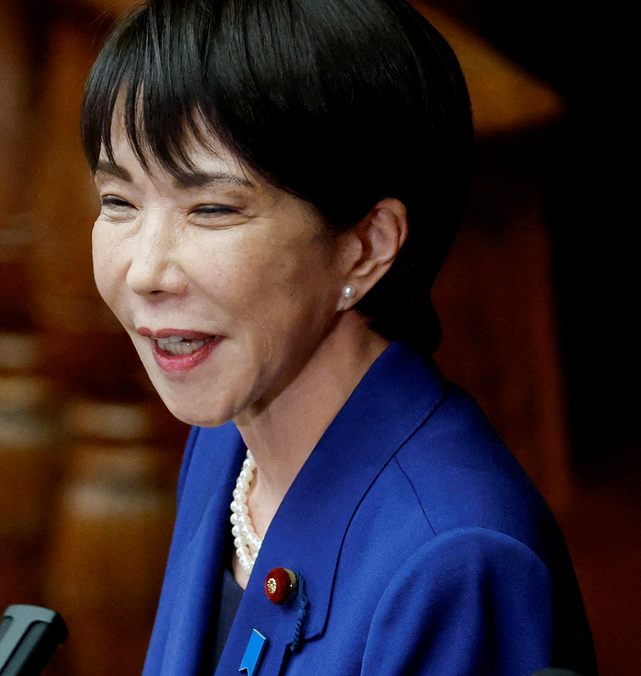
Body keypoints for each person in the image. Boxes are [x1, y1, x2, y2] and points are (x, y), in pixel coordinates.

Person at [80, 0, 597, 674]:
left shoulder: (455, 561)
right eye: (118, 202)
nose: (145, 271)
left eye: (211, 209)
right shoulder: (224, 443)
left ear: (366, 246)